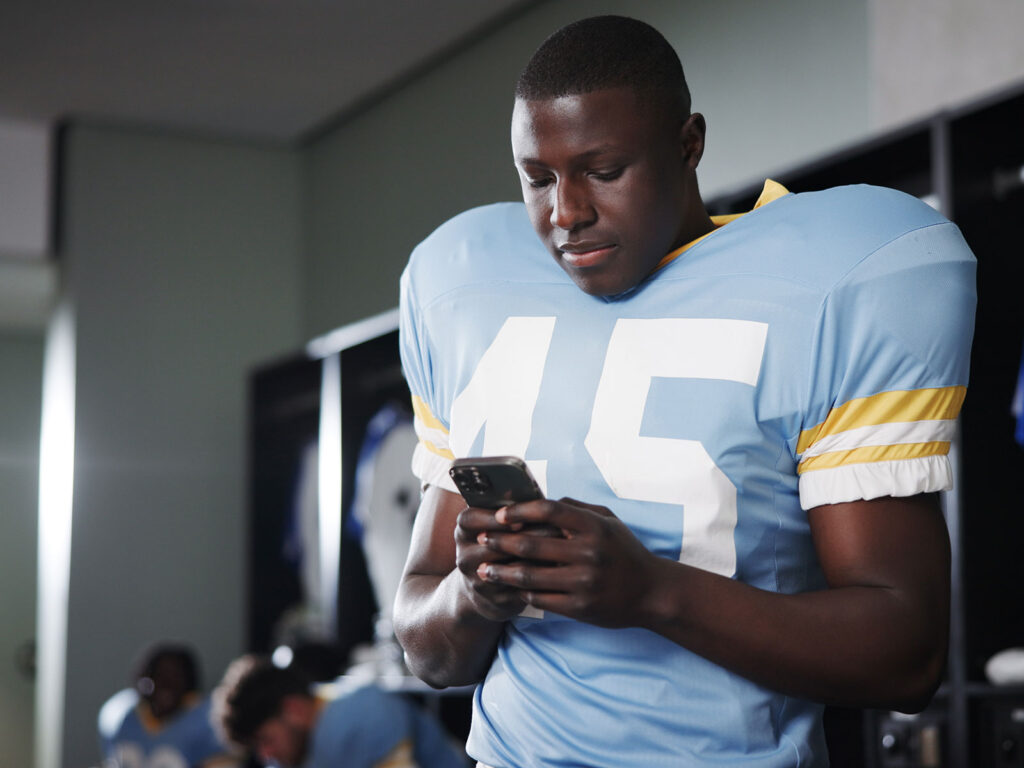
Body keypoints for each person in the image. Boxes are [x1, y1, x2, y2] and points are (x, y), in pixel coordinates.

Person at [392, 14, 976, 768]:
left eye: (603, 171)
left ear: (688, 143)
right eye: (538, 179)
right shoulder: (465, 291)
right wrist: (475, 595)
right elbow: (429, 653)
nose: (566, 213)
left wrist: (653, 592)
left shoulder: (834, 276)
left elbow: (906, 658)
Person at [211, 654, 467, 768]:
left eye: (266, 740)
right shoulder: (303, 738)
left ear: (294, 709)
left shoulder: (356, 717)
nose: (266, 755)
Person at [98, 641, 236, 768]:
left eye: (176, 678)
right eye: (158, 676)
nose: (166, 686)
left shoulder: (209, 721)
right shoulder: (121, 716)